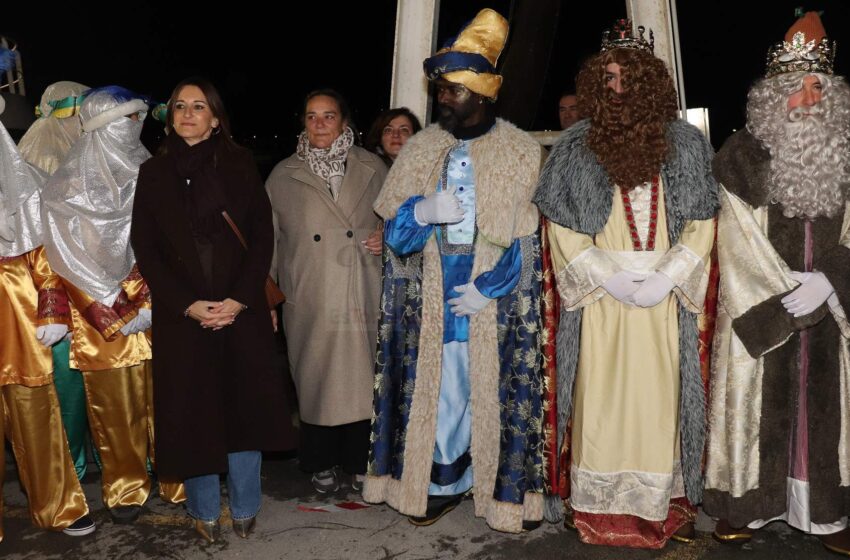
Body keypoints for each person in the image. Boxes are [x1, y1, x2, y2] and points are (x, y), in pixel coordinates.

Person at [533, 19, 718, 548]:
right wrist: (609, 278)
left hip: (662, 299)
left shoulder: (686, 144)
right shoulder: (574, 148)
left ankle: (660, 506)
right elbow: (562, 227)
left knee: (662, 401)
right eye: (609, 79)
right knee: (602, 398)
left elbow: (703, 220)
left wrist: (667, 277)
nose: (618, 89)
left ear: (650, 84)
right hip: (603, 300)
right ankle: (599, 509)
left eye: (628, 79)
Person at [363, 9, 547, 533]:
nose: (442, 99)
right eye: (440, 90)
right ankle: (442, 483)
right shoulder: (422, 148)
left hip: (495, 294)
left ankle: (502, 491)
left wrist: (491, 288)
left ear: (483, 93)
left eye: (454, 91)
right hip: (433, 291)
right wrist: (419, 213)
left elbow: (528, 234)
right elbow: (396, 240)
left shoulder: (520, 151)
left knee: (494, 391)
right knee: (442, 391)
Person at [704, 12, 850, 556]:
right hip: (767, 307)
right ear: (773, 96)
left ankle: (828, 512)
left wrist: (832, 282)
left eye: (819, 86)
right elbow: (734, 240)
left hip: (832, 311)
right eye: (797, 87)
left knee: (826, 408)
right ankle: (750, 506)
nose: (809, 99)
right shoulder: (739, 157)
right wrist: (788, 294)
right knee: (761, 406)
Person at [131, 77, 294, 542]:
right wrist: (187, 304)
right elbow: (146, 247)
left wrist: (240, 300)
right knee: (191, 413)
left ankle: (245, 506)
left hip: (237, 311)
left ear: (215, 117)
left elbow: (262, 236)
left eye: (198, 106)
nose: (187, 113)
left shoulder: (240, 165)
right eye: (179, 106)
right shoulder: (153, 174)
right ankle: (203, 510)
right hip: (182, 316)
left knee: (243, 410)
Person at [40, 86, 184, 524]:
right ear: (103, 127)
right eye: (127, 119)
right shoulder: (65, 187)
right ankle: (125, 486)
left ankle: (178, 476)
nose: (135, 126)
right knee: (115, 406)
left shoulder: (156, 174)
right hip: (104, 315)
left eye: (139, 118)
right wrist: (116, 305)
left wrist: (158, 298)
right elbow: (65, 255)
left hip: (159, 310)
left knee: (170, 398)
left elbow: (175, 242)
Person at [266, 89, 386, 494]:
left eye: (328, 116)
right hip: (311, 294)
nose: (319, 123)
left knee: (360, 381)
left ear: (344, 121)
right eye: (311, 115)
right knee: (315, 382)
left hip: (361, 289)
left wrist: (386, 237)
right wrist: (269, 297)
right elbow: (270, 240)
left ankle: (357, 463)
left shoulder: (373, 167)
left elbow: (400, 218)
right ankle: (319, 462)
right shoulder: (283, 174)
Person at [0, 57, 94, 539]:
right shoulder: (40, 152)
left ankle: (63, 493)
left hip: (36, 308)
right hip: (36, 304)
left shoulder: (27, 164)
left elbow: (46, 245)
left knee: (47, 401)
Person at [17, 80, 93, 482]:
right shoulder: (44, 161)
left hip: (81, 293)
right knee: (65, 386)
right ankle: (70, 473)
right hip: (56, 300)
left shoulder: (72, 152)